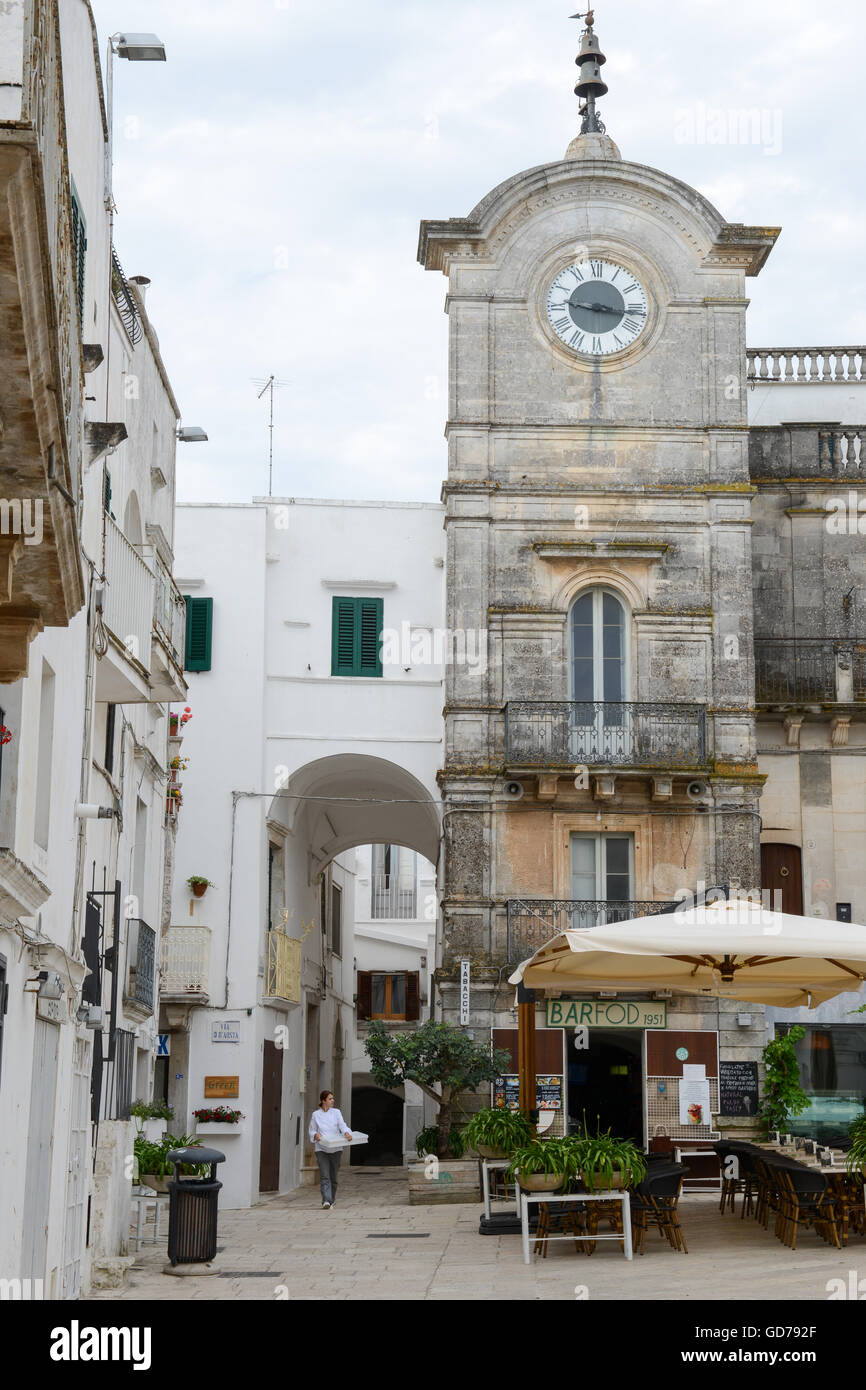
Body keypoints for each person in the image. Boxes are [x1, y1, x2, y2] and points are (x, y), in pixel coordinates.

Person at [309, 1090, 352, 1209]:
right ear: (323, 1101)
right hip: (321, 1149)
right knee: (325, 1176)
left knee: (334, 1177)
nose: (333, 1101)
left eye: (333, 1098)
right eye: (330, 1099)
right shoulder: (315, 1115)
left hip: (336, 1149)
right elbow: (312, 1130)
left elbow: (342, 1125)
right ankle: (326, 1201)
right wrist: (315, 1135)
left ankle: (331, 1200)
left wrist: (347, 1133)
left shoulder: (336, 1112)